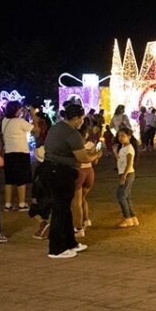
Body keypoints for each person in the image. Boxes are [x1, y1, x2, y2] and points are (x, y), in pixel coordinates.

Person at [41, 104, 102, 259]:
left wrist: (88, 153)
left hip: (50, 169)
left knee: (65, 208)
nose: (82, 121)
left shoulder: (56, 128)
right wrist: (97, 154)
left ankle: (70, 242)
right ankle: (56, 249)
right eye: (81, 118)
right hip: (61, 172)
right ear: (75, 118)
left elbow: (72, 151)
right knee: (60, 210)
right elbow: (83, 158)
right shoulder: (72, 133)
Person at [1, 102, 39, 211]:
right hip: (21, 153)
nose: (21, 111)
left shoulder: (4, 121)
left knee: (9, 180)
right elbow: (36, 130)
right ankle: (22, 204)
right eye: (20, 109)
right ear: (16, 110)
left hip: (9, 154)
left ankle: (8, 204)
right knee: (21, 179)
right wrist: (33, 115)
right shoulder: (20, 122)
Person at [73, 124, 98, 237]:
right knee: (83, 198)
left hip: (79, 172)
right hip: (90, 172)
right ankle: (86, 220)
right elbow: (95, 161)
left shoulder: (75, 146)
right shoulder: (91, 145)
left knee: (77, 201)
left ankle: (79, 228)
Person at [115, 127, 139, 228]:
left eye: (123, 136)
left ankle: (127, 218)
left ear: (129, 136)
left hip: (127, 174)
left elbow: (129, 163)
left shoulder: (129, 148)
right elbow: (120, 160)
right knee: (126, 196)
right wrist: (115, 151)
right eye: (119, 136)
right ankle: (133, 218)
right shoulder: (123, 147)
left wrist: (124, 176)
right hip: (126, 174)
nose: (120, 138)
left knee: (120, 196)